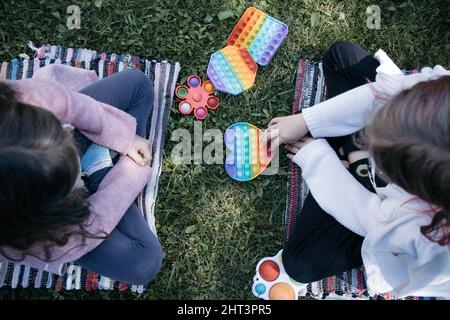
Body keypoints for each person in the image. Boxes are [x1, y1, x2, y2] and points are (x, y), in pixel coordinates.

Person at [266, 41, 450, 298]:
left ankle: (358, 167)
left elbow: (367, 216)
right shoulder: (441, 97)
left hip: (387, 228)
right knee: (342, 57)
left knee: (300, 264)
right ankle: (358, 162)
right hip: (394, 183)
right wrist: (306, 120)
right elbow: (385, 93)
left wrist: (315, 158)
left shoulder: (425, 232)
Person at [0, 64, 162, 284]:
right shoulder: (36, 235)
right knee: (144, 262)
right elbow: (94, 223)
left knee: (138, 85)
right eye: (73, 179)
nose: (75, 152)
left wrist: (122, 136)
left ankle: (96, 159)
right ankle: (99, 170)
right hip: (54, 223)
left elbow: (71, 104)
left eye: (61, 134)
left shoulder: (17, 101)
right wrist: (129, 173)